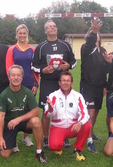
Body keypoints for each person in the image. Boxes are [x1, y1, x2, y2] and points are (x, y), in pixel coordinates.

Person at [31, 19, 77, 148]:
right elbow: (33, 65)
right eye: (49, 27)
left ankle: (65, 135)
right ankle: (46, 137)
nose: (53, 28)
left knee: (64, 109)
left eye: (54, 26)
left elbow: (74, 62)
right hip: (47, 83)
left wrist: (68, 66)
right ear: (45, 31)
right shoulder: (41, 47)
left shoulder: (66, 45)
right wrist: (42, 70)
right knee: (47, 111)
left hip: (63, 84)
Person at [0, 65, 48, 164]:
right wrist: (0, 138)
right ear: (9, 77)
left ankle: (39, 152)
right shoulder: (4, 95)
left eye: (18, 75)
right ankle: (12, 142)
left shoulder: (27, 92)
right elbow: (0, 116)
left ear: (22, 77)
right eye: (13, 75)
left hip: (24, 122)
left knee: (36, 121)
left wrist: (18, 119)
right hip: (10, 125)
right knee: (5, 154)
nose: (16, 78)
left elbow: (36, 112)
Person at [80, 18, 113, 153]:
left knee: (96, 111)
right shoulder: (86, 48)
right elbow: (89, 43)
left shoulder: (103, 50)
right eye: (93, 33)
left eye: (97, 33)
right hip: (88, 86)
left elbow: (105, 71)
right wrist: (93, 32)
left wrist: (108, 63)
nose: (95, 35)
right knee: (90, 113)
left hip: (99, 86)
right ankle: (89, 141)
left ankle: (90, 131)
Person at [44, 71, 91, 162]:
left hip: (73, 127)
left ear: (72, 83)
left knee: (87, 125)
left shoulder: (77, 96)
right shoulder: (53, 95)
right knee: (54, 146)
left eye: (68, 81)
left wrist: (80, 123)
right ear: (59, 83)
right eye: (63, 80)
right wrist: (50, 109)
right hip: (58, 127)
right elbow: (47, 114)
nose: (66, 83)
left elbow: (85, 113)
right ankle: (58, 146)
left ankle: (77, 150)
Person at [6, 24, 39, 148]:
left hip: (30, 84)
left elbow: (35, 69)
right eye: (20, 33)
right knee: (14, 110)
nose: (22, 35)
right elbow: (8, 68)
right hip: (16, 84)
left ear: (27, 35)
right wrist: (12, 83)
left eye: (24, 33)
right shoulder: (12, 49)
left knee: (29, 110)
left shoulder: (32, 50)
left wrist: (36, 84)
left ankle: (26, 137)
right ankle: (12, 139)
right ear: (16, 34)